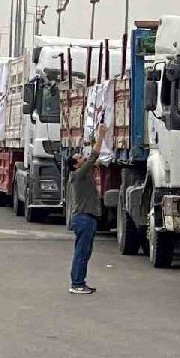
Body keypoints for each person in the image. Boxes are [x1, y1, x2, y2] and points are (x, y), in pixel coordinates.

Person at [67, 124, 107, 294]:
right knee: (82, 253)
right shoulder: (79, 175)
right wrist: (101, 135)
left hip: (84, 219)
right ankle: (77, 284)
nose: (83, 159)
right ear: (76, 165)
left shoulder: (79, 176)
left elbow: (93, 161)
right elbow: (93, 157)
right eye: (80, 158)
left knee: (83, 253)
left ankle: (79, 282)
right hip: (84, 219)